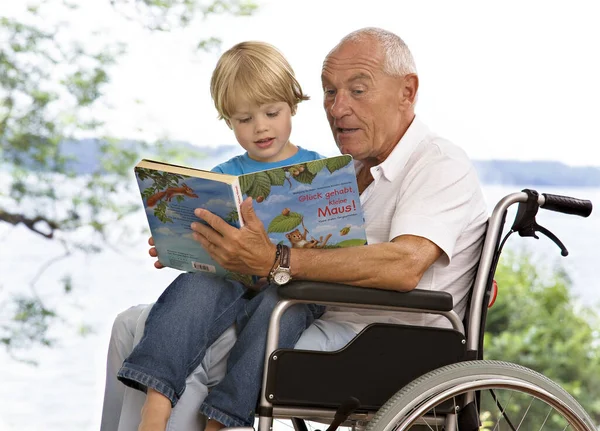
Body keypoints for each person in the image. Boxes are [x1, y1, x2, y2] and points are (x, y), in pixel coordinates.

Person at [103, 26, 488, 430]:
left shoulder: (438, 162)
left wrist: (276, 260)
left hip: (374, 342)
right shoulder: (348, 172)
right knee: (129, 324)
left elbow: (404, 265)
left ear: (407, 91)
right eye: (330, 92)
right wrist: (191, 243)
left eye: (358, 90)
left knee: (186, 345)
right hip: (307, 311)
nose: (337, 109)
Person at [101, 40, 324, 431]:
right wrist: (176, 246)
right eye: (243, 119)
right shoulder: (222, 174)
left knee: (283, 308)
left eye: (271, 112)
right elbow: (200, 238)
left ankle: (222, 420)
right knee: (197, 282)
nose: (260, 127)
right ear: (227, 120)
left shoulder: (318, 170)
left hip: (292, 283)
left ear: (293, 104)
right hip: (231, 278)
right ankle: (155, 404)